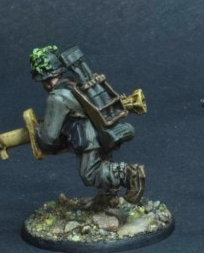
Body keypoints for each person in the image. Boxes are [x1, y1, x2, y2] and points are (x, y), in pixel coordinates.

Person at [28, 45, 146, 205]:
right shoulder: (73, 82)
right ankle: (107, 198)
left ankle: (130, 174)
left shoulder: (57, 97)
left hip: (88, 138)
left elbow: (49, 137)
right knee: (104, 164)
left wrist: (36, 131)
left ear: (45, 80)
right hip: (104, 131)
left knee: (90, 174)